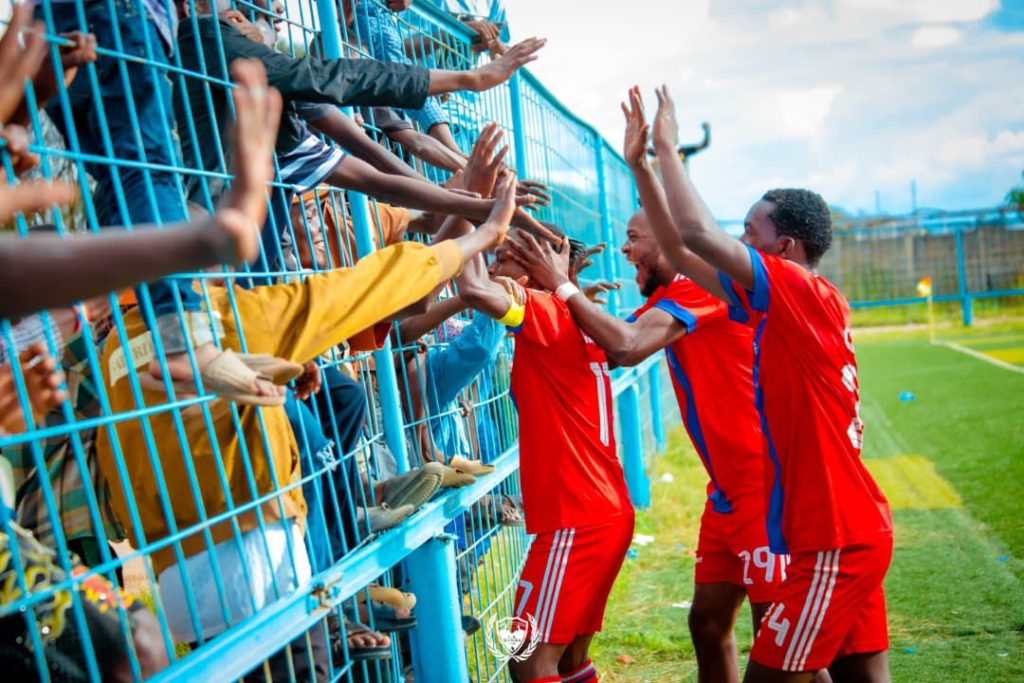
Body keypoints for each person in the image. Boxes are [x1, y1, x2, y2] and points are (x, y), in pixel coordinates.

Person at [631, 85, 892, 682]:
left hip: (835, 538)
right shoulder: (775, 305)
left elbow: (698, 235)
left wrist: (668, 148)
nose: (741, 243)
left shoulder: (800, 291)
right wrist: (641, 166)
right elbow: (679, 246)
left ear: (786, 247)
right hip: (836, 529)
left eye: (750, 233)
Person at [507, 207, 779, 682]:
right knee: (708, 624)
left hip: (764, 488)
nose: (624, 249)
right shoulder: (672, 296)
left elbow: (626, 345)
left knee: (784, 645)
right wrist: (555, 293)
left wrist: (559, 284)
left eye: (633, 238)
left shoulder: (705, 285)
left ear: (670, 239)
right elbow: (600, 345)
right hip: (726, 493)